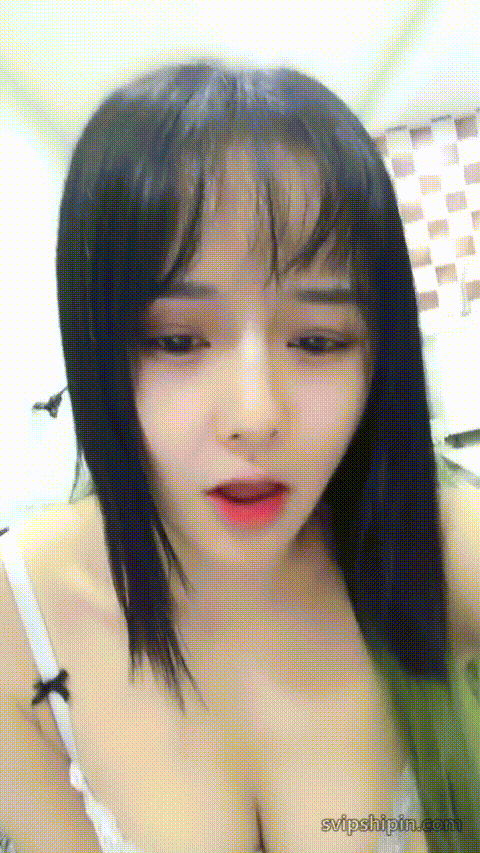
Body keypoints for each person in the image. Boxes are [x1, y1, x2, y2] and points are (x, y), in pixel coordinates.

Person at [0, 62, 479, 853]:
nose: (255, 416)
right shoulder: (20, 623)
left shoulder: (437, 544)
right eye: (176, 340)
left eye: (318, 341)